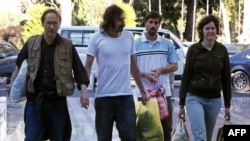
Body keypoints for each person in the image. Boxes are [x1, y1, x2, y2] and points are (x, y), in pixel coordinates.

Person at [9, 9, 90, 141]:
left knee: (58, 137)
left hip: (57, 101)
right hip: (35, 100)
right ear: (43, 24)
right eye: (48, 23)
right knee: (32, 137)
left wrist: (84, 92)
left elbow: (79, 69)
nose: (51, 27)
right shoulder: (31, 42)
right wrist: (13, 84)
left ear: (59, 24)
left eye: (54, 23)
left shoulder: (67, 45)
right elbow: (19, 65)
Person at [85, 4, 147, 141]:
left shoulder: (128, 37)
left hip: (125, 97)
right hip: (104, 97)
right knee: (103, 138)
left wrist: (142, 90)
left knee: (130, 137)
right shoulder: (96, 38)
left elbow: (134, 66)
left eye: (123, 19)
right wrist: (84, 90)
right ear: (109, 20)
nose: (123, 23)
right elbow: (88, 65)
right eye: (120, 20)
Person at [178, 15, 231, 141]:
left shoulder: (222, 50)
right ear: (201, 31)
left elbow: (226, 79)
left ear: (216, 30)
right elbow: (186, 77)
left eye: (213, 28)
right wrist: (181, 104)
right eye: (207, 28)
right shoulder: (194, 50)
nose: (210, 31)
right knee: (200, 136)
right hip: (195, 98)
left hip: (214, 100)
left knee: (206, 137)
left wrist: (228, 105)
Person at [134, 11, 179, 141]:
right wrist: (145, 75)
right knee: (144, 130)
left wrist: (162, 70)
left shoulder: (167, 44)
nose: (153, 25)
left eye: (156, 23)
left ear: (159, 25)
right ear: (145, 23)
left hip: (164, 94)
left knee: (166, 129)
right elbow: (130, 69)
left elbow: (174, 65)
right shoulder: (135, 44)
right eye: (150, 22)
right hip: (143, 94)